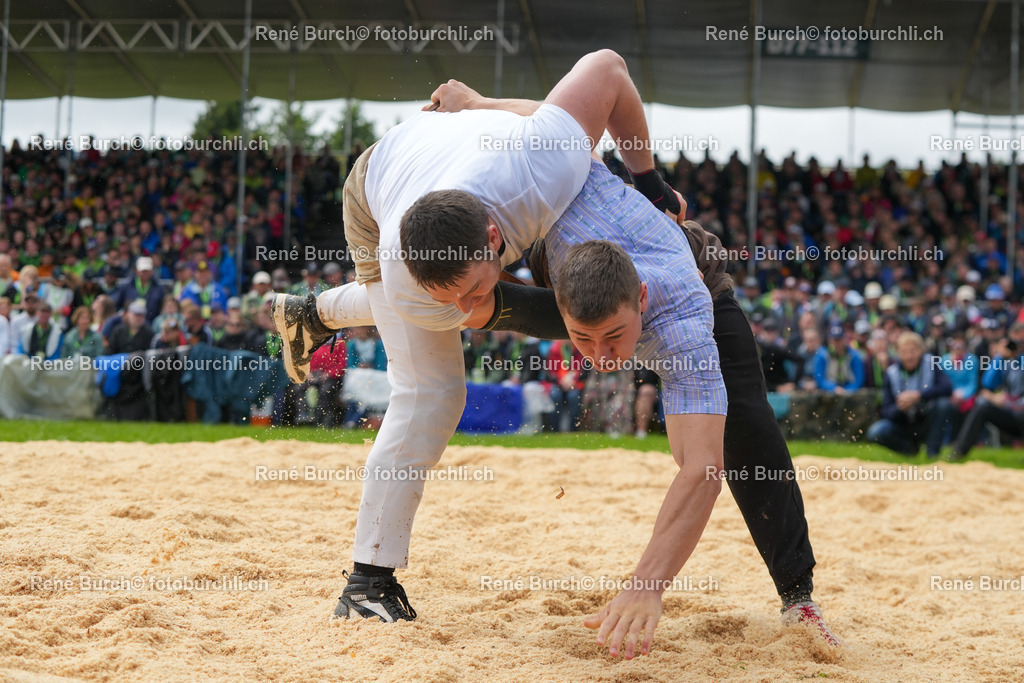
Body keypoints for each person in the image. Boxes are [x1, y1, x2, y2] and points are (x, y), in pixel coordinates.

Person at [272, 50, 686, 642]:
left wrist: (649, 181)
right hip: (378, 184)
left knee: (433, 317)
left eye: (470, 288)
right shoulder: (405, 274)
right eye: (451, 296)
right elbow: (471, 307)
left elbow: (608, 68)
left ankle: (313, 313)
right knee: (433, 393)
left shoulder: (547, 167)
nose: (469, 310)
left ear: (496, 237)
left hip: (463, 146)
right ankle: (367, 585)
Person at [865, 332, 955, 458]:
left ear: (921, 350)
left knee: (943, 405)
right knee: (876, 432)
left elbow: (947, 388)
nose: (909, 356)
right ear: (897, 353)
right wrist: (900, 407)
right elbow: (886, 411)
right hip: (903, 423)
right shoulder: (891, 373)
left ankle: (932, 453)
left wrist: (919, 395)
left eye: (913, 351)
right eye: (904, 352)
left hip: (927, 419)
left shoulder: (931, 364)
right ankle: (909, 451)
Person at [948, 323, 1024, 461]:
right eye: (1015, 342)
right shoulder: (1007, 361)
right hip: (1013, 415)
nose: (1018, 346)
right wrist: (999, 357)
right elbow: (988, 383)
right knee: (982, 406)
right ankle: (959, 452)